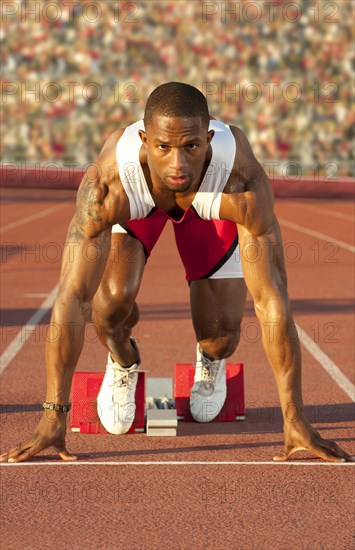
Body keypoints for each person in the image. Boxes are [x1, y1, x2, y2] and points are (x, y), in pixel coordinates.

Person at [0, 82, 352, 463]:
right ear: (145, 139)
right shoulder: (109, 185)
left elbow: (271, 298)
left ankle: (211, 361)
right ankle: (123, 362)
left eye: (191, 147)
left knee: (219, 335)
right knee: (110, 305)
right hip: (139, 201)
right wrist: (54, 416)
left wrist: (294, 417)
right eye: (163, 148)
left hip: (215, 203)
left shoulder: (240, 177)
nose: (178, 165)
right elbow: (71, 298)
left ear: (209, 137)